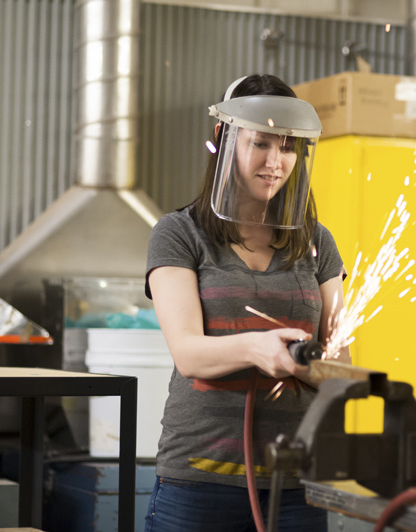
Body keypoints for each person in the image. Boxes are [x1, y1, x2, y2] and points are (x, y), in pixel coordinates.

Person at [143, 74, 349, 532]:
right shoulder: (179, 234)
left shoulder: (317, 243)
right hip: (197, 482)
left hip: (294, 485)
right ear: (224, 138)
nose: (276, 162)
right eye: (261, 144)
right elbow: (189, 353)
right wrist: (258, 348)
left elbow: (342, 365)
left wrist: (298, 364)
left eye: (289, 147)